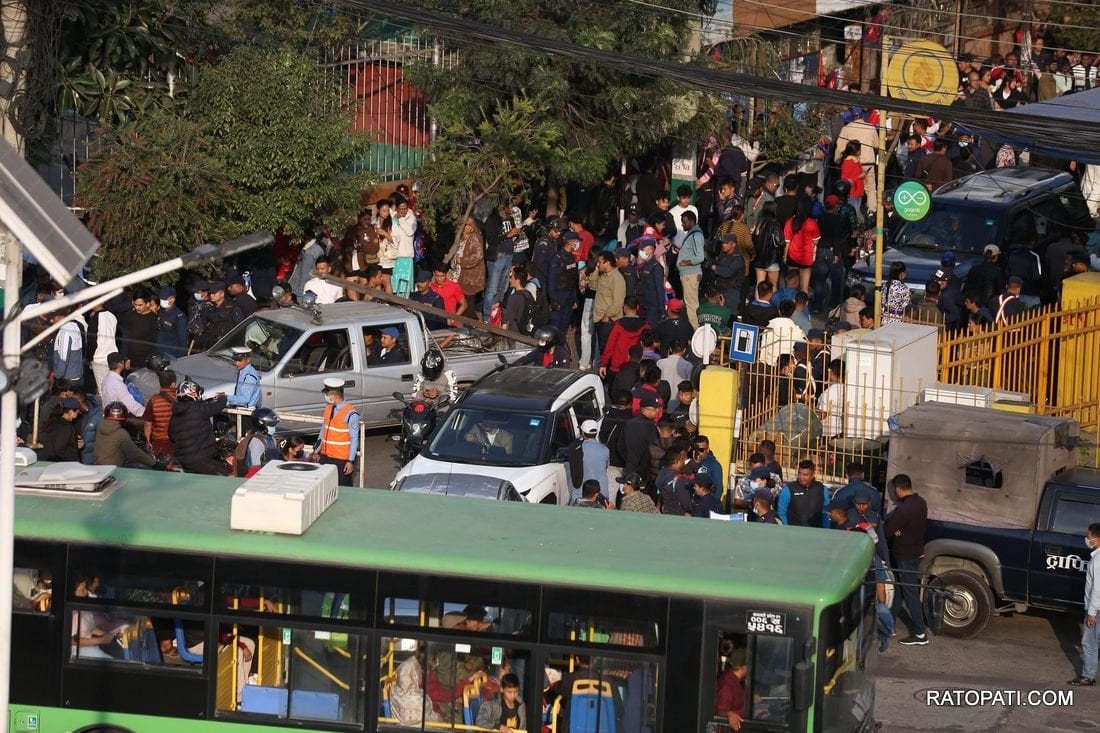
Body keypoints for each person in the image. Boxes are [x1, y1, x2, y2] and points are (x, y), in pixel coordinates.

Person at [883, 473, 929, 646]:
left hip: (905, 555)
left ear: (897, 489)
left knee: (910, 594)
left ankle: (919, 633)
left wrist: (895, 530)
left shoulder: (903, 509)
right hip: (916, 552)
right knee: (899, 590)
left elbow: (887, 530)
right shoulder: (920, 502)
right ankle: (890, 626)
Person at [169, 381, 230, 475]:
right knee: (227, 475)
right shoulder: (199, 408)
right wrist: (223, 398)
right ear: (193, 393)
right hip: (200, 459)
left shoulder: (175, 413)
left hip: (181, 458)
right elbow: (217, 407)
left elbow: (171, 436)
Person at [314, 378, 360, 486]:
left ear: (333, 396)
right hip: (325, 456)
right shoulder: (329, 407)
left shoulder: (351, 414)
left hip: (341, 460)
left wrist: (350, 461)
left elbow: (354, 439)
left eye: (327, 393)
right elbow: (323, 429)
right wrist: (317, 450)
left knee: (344, 490)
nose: (325, 396)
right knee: (325, 487)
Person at [1069, 522, 1100, 686]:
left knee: (1089, 642)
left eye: (1088, 537)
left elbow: (1097, 589)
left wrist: (1092, 612)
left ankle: (1088, 676)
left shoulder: (1098, 560)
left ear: (1097, 538)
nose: (1087, 539)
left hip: (1096, 608)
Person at [95, 402, 157, 468]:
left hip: (98, 466)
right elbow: (134, 453)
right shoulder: (121, 433)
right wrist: (153, 462)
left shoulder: (99, 428)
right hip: (114, 470)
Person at [777, 459, 830, 528]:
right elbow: (781, 512)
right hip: (794, 532)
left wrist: (826, 530)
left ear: (813, 475)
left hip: (817, 532)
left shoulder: (822, 489)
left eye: (805, 475)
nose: (801, 477)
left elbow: (825, 513)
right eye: (799, 473)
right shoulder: (788, 489)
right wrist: (787, 529)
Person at [569, 420, 609, 503]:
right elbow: (605, 467)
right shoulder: (605, 450)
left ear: (583, 433)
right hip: (601, 494)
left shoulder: (577, 450)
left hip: (581, 495)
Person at [234, 407, 281, 477]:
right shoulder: (256, 442)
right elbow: (256, 468)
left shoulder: (271, 439)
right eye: (271, 425)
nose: (273, 428)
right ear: (261, 424)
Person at [143, 369, 177, 457]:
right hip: (177, 441)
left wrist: (147, 441)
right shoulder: (179, 399)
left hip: (159, 443)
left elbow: (148, 424)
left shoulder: (154, 400)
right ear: (173, 384)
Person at [100, 352, 145, 418]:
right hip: (119, 416)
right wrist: (147, 412)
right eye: (123, 361)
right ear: (120, 364)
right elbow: (132, 405)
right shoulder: (118, 384)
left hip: (109, 413)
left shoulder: (106, 378)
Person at [715, 647, 749, 731]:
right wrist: (729, 714)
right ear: (743, 667)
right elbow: (720, 711)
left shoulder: (738, 681)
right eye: (750, 665)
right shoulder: (727, 685)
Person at [41, 397, 86, 462]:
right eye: (76, 413)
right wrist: (74, 456)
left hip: (49, 461)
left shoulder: (53, 422)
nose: (76, 416)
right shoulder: (66, 427)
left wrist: (75, 442)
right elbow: (60, 448)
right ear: (70, 412)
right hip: (63, 464)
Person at [154, 286, 188, 358]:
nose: (162, 301)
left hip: (172, 355)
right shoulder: (162, 311)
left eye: (164, 299)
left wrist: (179, 358)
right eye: (161, 299)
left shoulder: (179, 316)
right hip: (159, 351)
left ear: (172, 300)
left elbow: (183, 340)